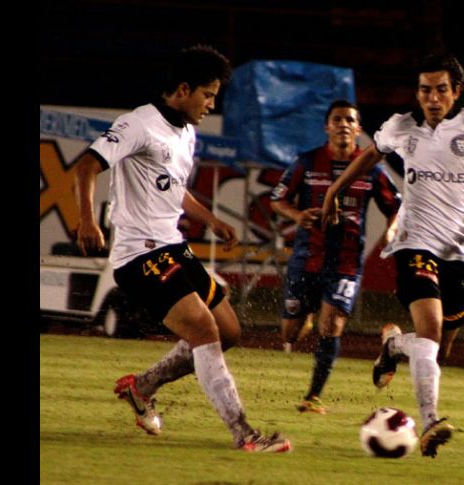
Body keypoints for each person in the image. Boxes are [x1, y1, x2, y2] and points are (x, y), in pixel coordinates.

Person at [320, 53, 464, 457]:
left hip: (462, 251)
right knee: (431, 331)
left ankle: (392, 346)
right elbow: (370, 156)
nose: (433, 97)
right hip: (414, 242)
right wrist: (335, 190)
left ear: (456, 91)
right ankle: (430, 422)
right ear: (418, 92)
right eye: (426, 90)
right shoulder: (400, 127)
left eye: (442, 89)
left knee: (438, 349)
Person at [73, 45, 291, 453]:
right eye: (208, 94)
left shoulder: (187, 132)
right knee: (204, 329)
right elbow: (87, 165)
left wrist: (211, 219)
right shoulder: (138, 123)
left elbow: (174, 188)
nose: (211, 103)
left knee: (228, 332)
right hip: (140, 255)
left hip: (173, 247)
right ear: (183, 89)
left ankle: (142, 387)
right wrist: (86, 219)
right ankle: (244, 434)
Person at [270, 100, 401, 415]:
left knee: (332, 326)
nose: (344, 124)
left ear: (358, 128)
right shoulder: (307, 161)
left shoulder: (372, 168)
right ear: (327, 126)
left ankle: (313, 396)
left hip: (345, 261)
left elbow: (397, 207)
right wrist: (298, 215)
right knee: (290, 333)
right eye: (337, 119)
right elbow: (278, 199)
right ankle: (310, 315)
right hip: (307, 257)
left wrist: (392, 232)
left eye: (350, 120)